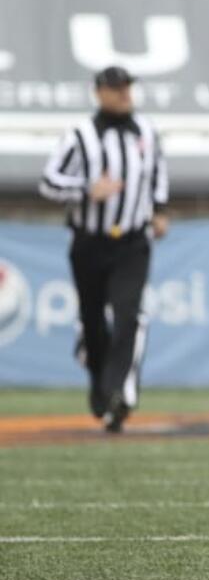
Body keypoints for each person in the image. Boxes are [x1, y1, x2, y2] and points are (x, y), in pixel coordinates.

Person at [39, 65, 169, 433]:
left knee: (129, 314)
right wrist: (85, 189)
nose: (124, 93)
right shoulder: (79, 135)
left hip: (132, 241)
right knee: (93, 321)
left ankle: (119, 392)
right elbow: (48, 181)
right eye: (116, 88)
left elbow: (158, 174)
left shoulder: (146, 130)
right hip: (89, 242)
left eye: (127, 87)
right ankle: (101, 388)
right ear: (99, 92)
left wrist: (159, 211)